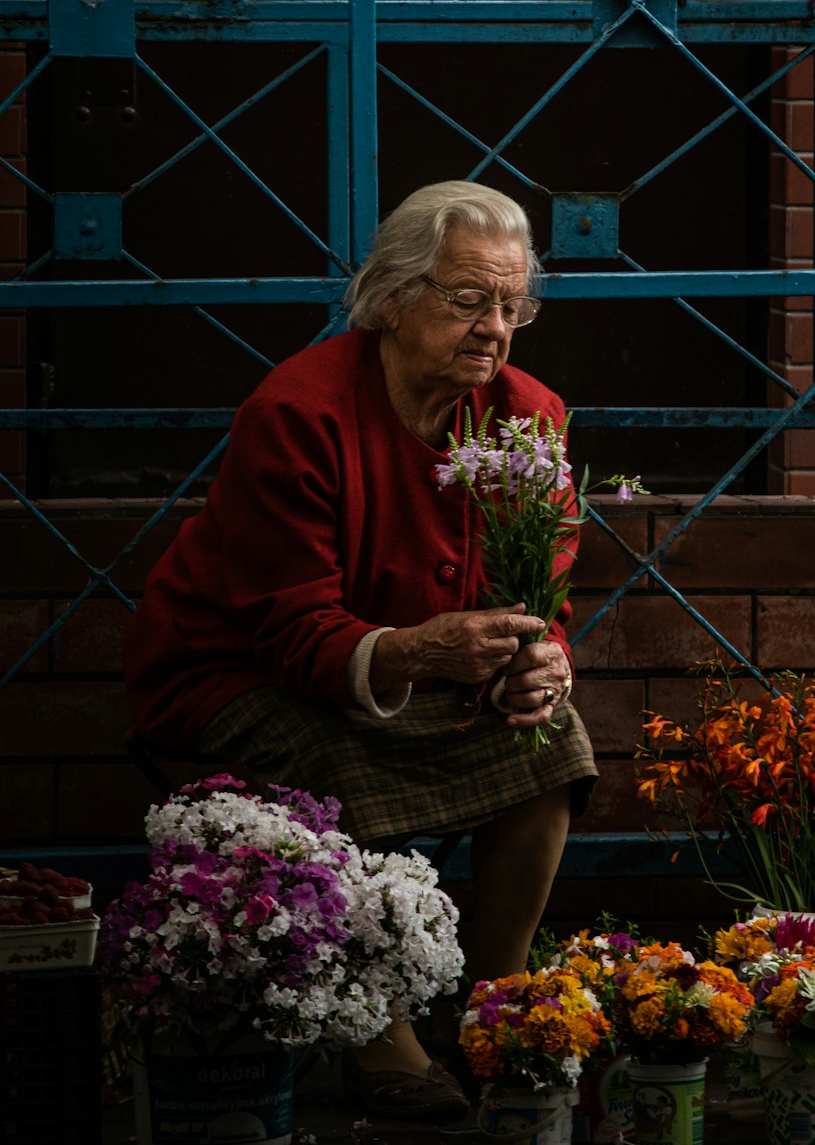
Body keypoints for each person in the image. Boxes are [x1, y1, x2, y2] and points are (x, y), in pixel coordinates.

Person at [123, 179, 598, 1121]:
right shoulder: (299, 411)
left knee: (552, 746)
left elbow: (544, 591)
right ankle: (378, 1034)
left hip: (418, 668)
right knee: (336, 761)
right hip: (238, 669)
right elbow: (291, 630)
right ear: (390, 298)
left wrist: (534, 663)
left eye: (513, 305)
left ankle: (495, 1012)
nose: (495, 328)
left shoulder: (527, 414)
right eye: (468, 300)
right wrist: (425, 649)